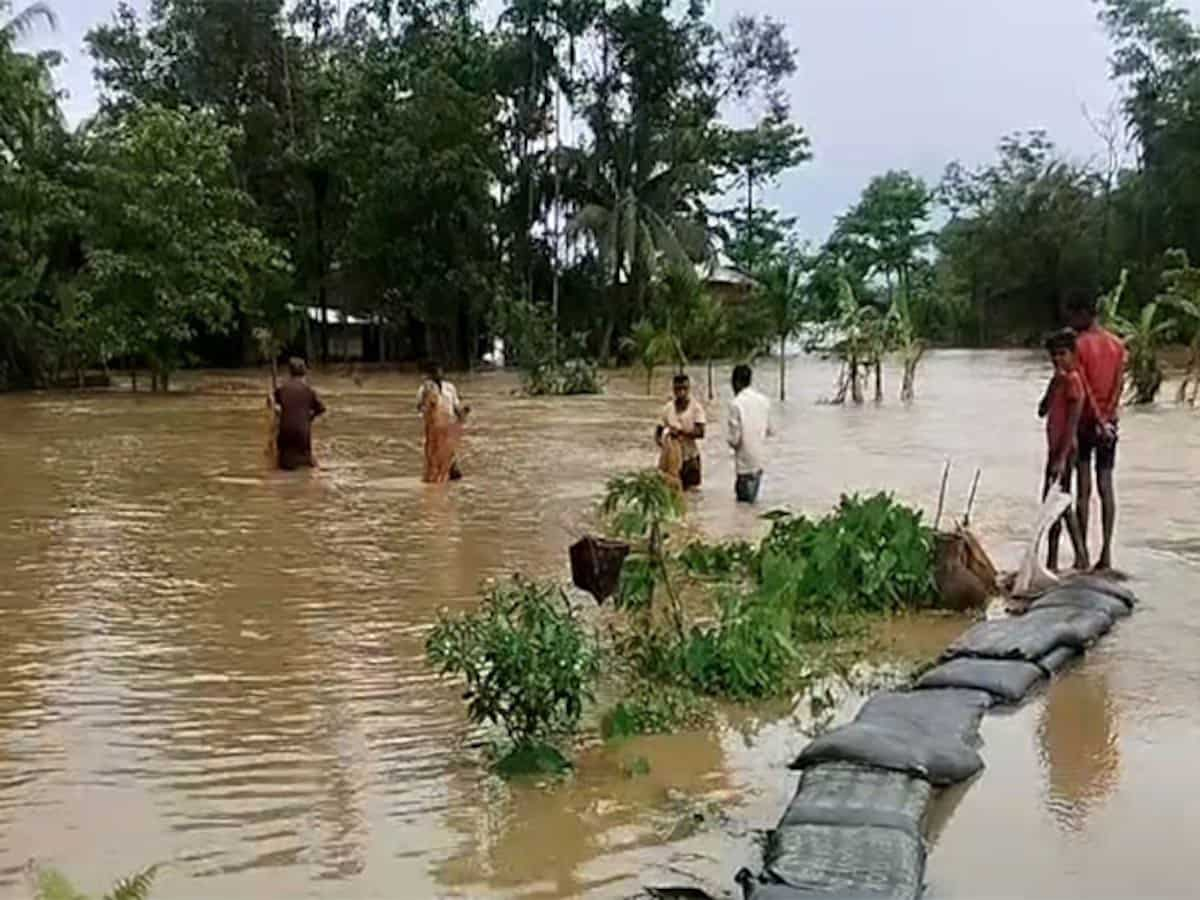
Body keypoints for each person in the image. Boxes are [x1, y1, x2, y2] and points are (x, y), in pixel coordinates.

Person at [1067, 290, 1127, 571]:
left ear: (1084, 314)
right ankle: (1106, 554)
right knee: (1106, 486)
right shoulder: (1117, 345)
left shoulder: (1078, 345)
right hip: (1110, 423)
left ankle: (1083, 556)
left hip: (1086, 422)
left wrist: (1097, 418)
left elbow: (1084, 389)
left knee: (1083, 489)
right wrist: (1108, 417)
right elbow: (1118, 386)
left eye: (1074, 314)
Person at [1037, 329, 1089, 571]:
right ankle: (1053, 559)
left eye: (1062, 354)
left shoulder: (1074, 382)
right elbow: (1042, 411)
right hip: (1054, 450)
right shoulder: (1058, 381)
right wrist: (1052, 385)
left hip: (1065, 451)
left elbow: (1073, 424)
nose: (1058, 359)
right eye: (1054, 356)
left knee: (1058, 505)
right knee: (1053, 506)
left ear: (1073, 354)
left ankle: (1079, 556)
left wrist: (1062, 457)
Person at [726, 364, 772, 503]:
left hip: (744, 465)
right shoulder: (764, 401)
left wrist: (729, 441)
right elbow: (769, 430)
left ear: (736, 382)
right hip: (759, 462)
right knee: (752, 507)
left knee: (743, 506)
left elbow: (735, 440)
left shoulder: (736, 404)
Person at [417, 363, 469, 481]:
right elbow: (422, 409)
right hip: (434, 429)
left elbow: (456, 408)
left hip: (448, 428)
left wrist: (463, 413)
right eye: (435, 373)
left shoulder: (449, 388)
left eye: (439, 372)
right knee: (433, 463)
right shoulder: (424, 389)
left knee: (448, 466)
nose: (438, 375)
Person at [273, 357, 325, 470]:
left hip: (285, 430)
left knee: (283, 465)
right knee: (306, 464)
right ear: (304, 372)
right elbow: (321, 409)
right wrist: (310, 417)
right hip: (303, 430)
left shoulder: (282, 389)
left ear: (289, 372)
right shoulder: (309, 391)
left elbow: (274, 403)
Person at [656, 374, 706, 491]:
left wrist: (681, 432)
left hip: (691, 459)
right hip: (672, 460)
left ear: (689, 389)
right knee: (671, 491)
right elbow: (658, 432)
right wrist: (665, 444)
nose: (681, 392)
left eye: (684, 388)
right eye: (678, 389)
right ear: (673, 390)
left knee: (693, 496)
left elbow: (701, 432)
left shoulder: (696, 408)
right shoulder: (667, 408)